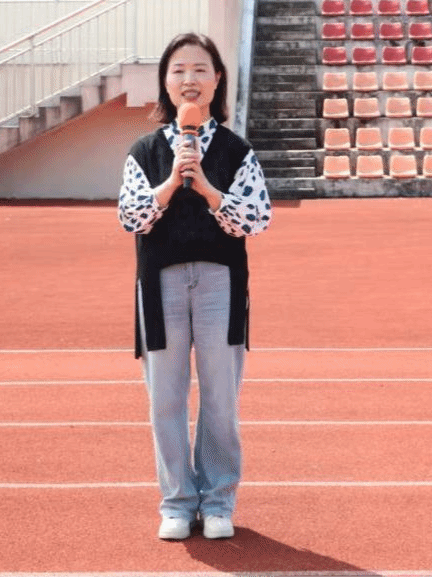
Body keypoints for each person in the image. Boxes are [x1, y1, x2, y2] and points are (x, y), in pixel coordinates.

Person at [117, 32, 272, 541]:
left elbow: (255, 218)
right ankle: (178, 503)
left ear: (217, 79)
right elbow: (132, 218)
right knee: (165, 399)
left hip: (219, 281)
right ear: (166, 82)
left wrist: (207, 188)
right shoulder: (143, 152)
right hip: (159, 284)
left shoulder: (236, 150)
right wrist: (170, 183)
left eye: (200, 69)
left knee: (221, 399)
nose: (190, 79)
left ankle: (219, 500)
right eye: (179, 70)